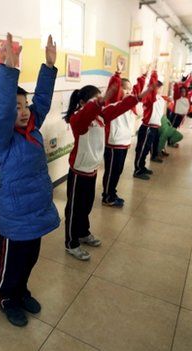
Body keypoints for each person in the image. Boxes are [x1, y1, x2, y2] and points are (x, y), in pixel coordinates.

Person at [0, 34, 59, 327]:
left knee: (30, 259)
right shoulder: (1, 140)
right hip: (15, 218)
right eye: (16, 107)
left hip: (36, 212)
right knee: (11, 263)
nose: (22, 112)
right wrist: (8, 71)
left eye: (24, 105)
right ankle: (7, 297)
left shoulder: (32, 128)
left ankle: (21, 291)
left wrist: (48, 66)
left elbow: (43, 101)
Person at [63, 77, 150, 260]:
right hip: (79, 172)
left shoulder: (101, 116)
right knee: (74, 208)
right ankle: (71, 243)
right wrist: (98, 102)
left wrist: (137, 97)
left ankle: (83, 233)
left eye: (100, 99)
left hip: (92, 170)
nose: (100, 103)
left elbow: (119, 107)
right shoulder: (77, 118)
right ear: (83, 102)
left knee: (86, 205)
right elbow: (85, 115)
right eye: (95, 100)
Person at [101, 74, 144, 207]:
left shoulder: (130, 106)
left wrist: (143, 76)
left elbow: (138, 91)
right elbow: (113, 89)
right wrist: (117, 75)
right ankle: (107, 197)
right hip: (113, 144)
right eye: (125, 89)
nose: (129, 92)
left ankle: (112, 192)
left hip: (124, 143)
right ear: (119, 90)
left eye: (130, 90)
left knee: (118, 171)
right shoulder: (114, 103)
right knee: (112, 171)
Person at [133, 73, 165, 180]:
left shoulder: (160, 98)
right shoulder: (150, 97)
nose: (160, 89)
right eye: (158, 87)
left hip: (154, 127)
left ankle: (142, 167)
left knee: (146, 150)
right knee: (141, 150)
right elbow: (151, 94)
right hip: (147, 127)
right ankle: (137, 170)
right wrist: (154, 75)